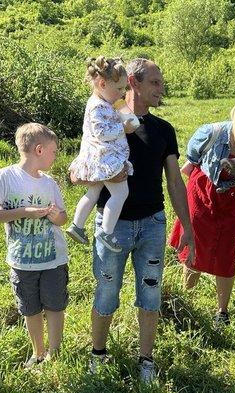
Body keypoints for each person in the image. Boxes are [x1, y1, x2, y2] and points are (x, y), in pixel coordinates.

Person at [70, 58, 195, 383]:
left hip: (153, 224)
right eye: (155, 82)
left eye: (161, 82)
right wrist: (79, 173)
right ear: (133, 82)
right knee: (107, 291)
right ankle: (98, 354)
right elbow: (85, 157)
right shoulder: (104, 118)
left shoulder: (164, 130)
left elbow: (174, 182)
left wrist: (188, 226)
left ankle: (146, 361)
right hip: (113, 225)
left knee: (150, 294)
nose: (161, 89)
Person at [169, 89, 235, 328]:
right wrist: (182, 204)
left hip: (234, 201)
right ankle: (187, 301)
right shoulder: (212, 133)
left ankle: (222, 312)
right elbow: (188, 168)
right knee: (195, 249)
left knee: (227, 252)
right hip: (202, 195)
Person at [0, 123, 69, 368]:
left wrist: (55, 216)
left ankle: (55, 353)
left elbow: (63, 218)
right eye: (54, 151)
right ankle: (38, 352)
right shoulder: (5, 177)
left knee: (55, 305)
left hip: (53, 259)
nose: (56, 156)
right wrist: (24, 212)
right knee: (30, 308)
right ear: (39, 150)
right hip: (22, 260)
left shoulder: (50, 183)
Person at [66, 56, 140, 253]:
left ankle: (77, 225)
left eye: (124, 89)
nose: (122, 93)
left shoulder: (103, 102)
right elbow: (102, 132)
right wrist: (122, 127)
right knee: (120, 193)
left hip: (97, 157)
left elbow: (133, 121)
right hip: (105, 158)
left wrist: (122, 108)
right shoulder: (98, 106)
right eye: (119, 89)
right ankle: (106, 232)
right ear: (102, 83)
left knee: (93, 192)